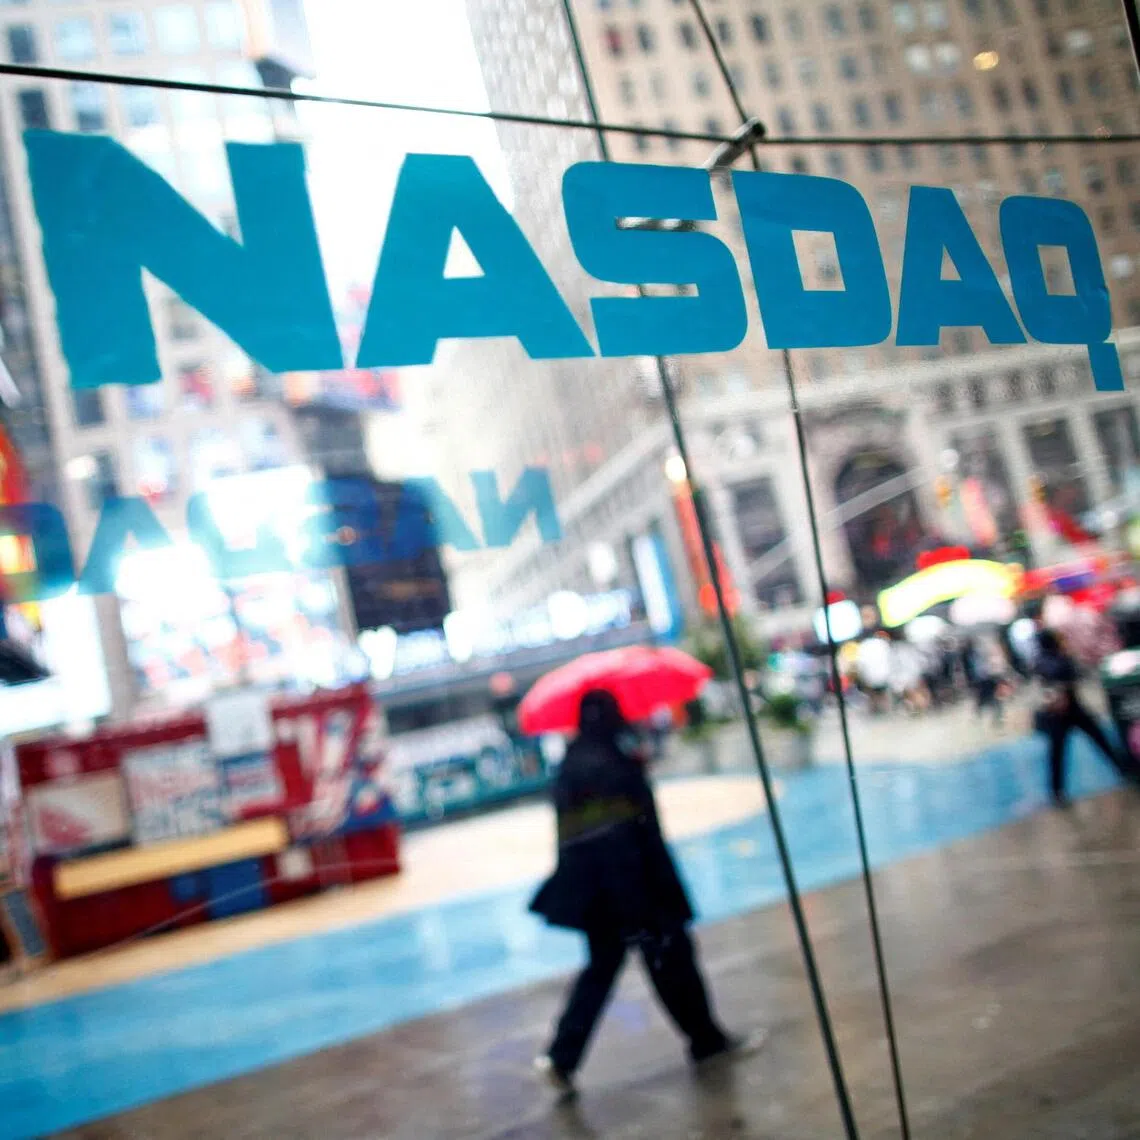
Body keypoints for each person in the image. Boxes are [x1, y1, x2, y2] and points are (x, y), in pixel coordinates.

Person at [530, 689, 762, 1098]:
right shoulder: (610, 764)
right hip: (636, 890)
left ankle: (560, 1058)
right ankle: (705, 1039)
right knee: (672, 961)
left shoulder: (575, 762)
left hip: (597, 894)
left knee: (601, 970)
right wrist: (642, 902)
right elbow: (624, 833)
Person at [1034, 628, 1140, 806]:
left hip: (1059, 714)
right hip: (1071, 710)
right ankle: (1122, 768)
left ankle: (1057, 791)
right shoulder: (1059, 659)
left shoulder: (1040, 663)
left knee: (1059, 752)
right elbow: (1073, 677)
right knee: (1099, 739)